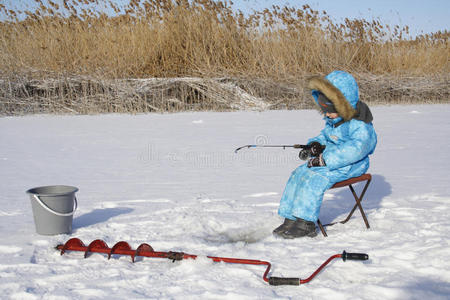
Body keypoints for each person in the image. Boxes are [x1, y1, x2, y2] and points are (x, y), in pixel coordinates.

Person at [273, 70, 377, 239]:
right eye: (324, 111)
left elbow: (357, 149)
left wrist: (324, 159)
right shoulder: (334, 121)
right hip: (329, 162)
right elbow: (325, 137)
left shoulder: (360, 124)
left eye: (330, 110)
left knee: (314, 179)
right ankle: (291, 218)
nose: (327, 115)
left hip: (352, 165)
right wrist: (314, 145)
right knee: (298, 174)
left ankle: (306, 223)